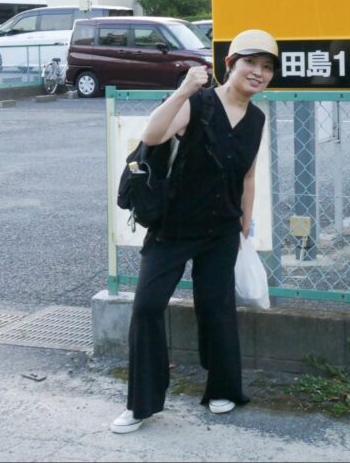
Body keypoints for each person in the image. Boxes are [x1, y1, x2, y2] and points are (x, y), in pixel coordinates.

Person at [110, 28, 279, 435]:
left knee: (217, 309)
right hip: (175, 226)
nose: (258, 73)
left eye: (267, 67)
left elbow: (249, 177)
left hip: (221, 229)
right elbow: (152, 135)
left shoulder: (257, 117)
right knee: (147, 308)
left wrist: (244, 227)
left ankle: (222, 389)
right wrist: (184, 89)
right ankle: (141, 405)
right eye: (250, 63)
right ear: (230, 65)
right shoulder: (199, 103)